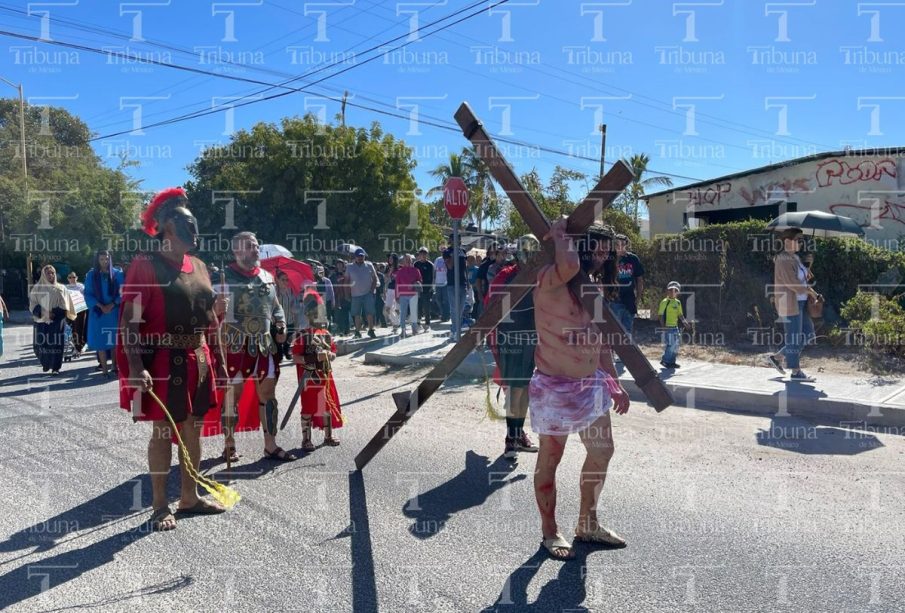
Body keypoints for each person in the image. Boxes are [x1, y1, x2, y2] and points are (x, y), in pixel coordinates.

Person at [117, 186, 226, 531]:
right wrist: (136, 367)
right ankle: (160, 504)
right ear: (166, 226)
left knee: (194, 428)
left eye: (195, 223)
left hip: (199, 357)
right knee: (164, 431)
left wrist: (220, 359)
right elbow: (129, 322)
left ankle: (190, 497)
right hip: (164, 360)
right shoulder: (145, 265)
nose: (195, 230)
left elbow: (210, 318)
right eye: (187, 223)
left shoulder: (200, 266)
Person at [530, 217, 630, 561]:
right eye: (597, 244)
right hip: (554, 389)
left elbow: (601, 341)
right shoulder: (549, 279)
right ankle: (549, 531)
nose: (604, 252)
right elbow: (569, 263)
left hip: (592, 386)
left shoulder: (591, 288)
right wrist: (560, 232)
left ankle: (587, 524)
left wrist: (613, 382)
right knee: (551, 460)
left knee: (603, 451)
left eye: (607, 247)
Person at [220, 231, 296, 462]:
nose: (255, 250)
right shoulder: (224, 277)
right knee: (233, 397)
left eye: (256, 245)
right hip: (235, 345)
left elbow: (275, 306)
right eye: (250, 246)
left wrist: (281, 323)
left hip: (264, 344)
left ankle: (270, 445)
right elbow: (210, 313)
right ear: (237, 250)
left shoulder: (266, 276)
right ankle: (229, 444)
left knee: (269, 395)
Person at [485, 236, 539, 460]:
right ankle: (511, 439)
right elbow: (491, 305)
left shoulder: (541, 276)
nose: (528, 257)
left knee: (524, 389)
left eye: (532, 252)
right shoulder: (506, 276)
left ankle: (518, 435)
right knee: (513, 389)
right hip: (510, 340)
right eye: (525, 252)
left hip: (532, 340)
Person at [292, 293, 343, 451]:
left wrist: (329, 355)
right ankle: (306, 440)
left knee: (326, 405)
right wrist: (313, 358)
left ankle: (328, 436)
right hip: (309, 378)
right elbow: (295, 357)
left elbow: (333, 353)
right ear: (309, 315)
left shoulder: (326, 334)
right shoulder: (302, 335)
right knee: (308, 407)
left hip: (325, 376)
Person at [767, 228, 817, 382]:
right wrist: (811, 292)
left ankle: (778, 357)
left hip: (800, 302)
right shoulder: (783, 259)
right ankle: (795, 372)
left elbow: (801, 279)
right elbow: (791, 283)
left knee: (808, 334)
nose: (801, 243)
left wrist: (808, 267)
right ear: (787, 241)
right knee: (794, 338)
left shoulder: (794, 257)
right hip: (789, 303)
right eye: (798, 240)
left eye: (801, 240)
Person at [29, 265, 76, 375]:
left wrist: (54, 314)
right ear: (43, 275)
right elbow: (33, 305)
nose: (50, 275)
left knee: (56, 345)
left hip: (57, 320)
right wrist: (45, 313)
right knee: (39, 345)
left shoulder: (61, 288)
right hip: (41, 321)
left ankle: (55, 368)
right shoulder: (37, 288)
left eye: (52, 273)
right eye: (48, 273)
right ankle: (46, 363)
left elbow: (65, 305)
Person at [84, 250, 125, 378]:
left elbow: (123, 292)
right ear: (97, 260)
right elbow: (88, 294)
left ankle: (115, 367)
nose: (104, 262)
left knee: (113, 341)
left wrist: (112, 305)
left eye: (106, 259)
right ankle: (104, 370)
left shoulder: (117, 274)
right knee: (100, 342)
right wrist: (101, 306)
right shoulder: (91, 275)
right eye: (102, 259)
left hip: (113, 311)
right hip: (98, 312)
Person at [611, 234, 645, 339]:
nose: (620, 246)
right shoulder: (609, 259)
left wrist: (638, 298)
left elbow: (639, 279)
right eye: (617, 244)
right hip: (614, 300)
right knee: (614, 330)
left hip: (630, 300)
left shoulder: (633, 259)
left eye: (623, 244)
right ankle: (613, 354)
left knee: (627, 331)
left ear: (627, 244)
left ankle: (624, 355)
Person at [347, 247, 379, 339]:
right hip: (355, 294)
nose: (360, 258)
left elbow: (375, 278)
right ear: (355, 257)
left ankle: (371, 330)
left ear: (364, 257)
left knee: (370, 313)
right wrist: (347, 293)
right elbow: (346, 280)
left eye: (362, 256)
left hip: (367, 293)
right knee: (356, 314)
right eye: (358, 256)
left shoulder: (369, 265)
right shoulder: (349, 267)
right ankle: (357, 331)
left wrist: (372, 290)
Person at [443, 237, 468, 338]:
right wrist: (453, 255)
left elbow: (465, 266)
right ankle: (454, 330)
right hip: (452, 284)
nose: (457, 241)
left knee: (461, 308)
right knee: (454, 308)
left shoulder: (463, 251)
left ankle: (457, 327)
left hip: (463, 283)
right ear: (451, 241)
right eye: (454, 239)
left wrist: (468, 281)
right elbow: (449, 266)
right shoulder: (447, 252)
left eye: (458, 239)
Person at [658, 281, 686, 369]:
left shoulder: (678, 303)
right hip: (668, 327)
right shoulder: (664, 302)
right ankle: (665, 361)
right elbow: (660, 315)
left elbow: (680, 314)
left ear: (677, 292)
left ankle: (672, 362)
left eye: (675, 290)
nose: (673, 292)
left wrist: (685, 322)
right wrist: (663, 326)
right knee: (670, 344)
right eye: (671, 290)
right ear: (668, 291)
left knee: (676, 345)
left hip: (675, 327)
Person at [395, 254, 423, 338]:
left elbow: (420, 280)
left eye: (409, 259)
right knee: (403, 313)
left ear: (411, 261)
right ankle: (403, 330)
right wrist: (397, 295)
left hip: (413, 294)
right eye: (405, 259)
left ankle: (414, 329)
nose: (407, 261)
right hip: (403, 295)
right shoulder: (400, 271)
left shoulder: (416, 270)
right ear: (403, 261)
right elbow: (397, 284)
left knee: (413, 312)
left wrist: (416, 283)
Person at [275, 271, 300, 361]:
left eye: (287, 280)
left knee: (289, 335)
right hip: (279, 320)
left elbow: (294, 301)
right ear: (277, 280)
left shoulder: (290, 290)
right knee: (279, 337)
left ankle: (286, 350)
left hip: (290, 317)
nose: (285, 282)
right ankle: (280, 353)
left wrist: (294, 305)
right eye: (283, 280)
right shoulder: (273, 291)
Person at [65, 271, 88, 358]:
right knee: (73, 329)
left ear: (76, 278)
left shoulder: (80, 286)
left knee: (80, 328)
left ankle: (79, 346)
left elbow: (84, 296)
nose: (72, 279)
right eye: (70, 277)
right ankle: (77, 346)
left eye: (73, 277)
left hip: (81, 309)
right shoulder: (65, 288)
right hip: (70, 310)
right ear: (67, 279)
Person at [414, 247, 434, 332]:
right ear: (419, 255)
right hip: (418, 289)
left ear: (427, 255)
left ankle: (427, 324)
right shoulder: (416, 264)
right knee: (418, 306)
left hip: (427, 289)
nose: (423, 256)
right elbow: (414, 276)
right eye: (421, 254)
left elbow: (433, 277)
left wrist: (431, 287)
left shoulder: (430, 265)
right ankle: (418, 323)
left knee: (427, 307)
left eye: (425, 254)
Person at [330, 260, 351, 336]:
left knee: (346, 315)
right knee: (338, 315)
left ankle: (347, 330)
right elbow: (331, 286)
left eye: (340, 264)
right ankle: (340, 330)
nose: (339, 265)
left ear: (343, 265)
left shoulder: (347, 274)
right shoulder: (333, 276)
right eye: (337, 264)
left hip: (346, 296)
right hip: (337, 297)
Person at [383, 253, 400, 333]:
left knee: (397, 309)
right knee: (387, 309)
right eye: (389, 259)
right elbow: (385, 280)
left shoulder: (400, 268)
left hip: (398, 289)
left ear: (395, 260)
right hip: (390, 289)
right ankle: (395, 323)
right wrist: (390, 272)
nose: (389, 260)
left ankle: (396, 325)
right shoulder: (387, 268)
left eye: (391, 258)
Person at [433, 248, 450, 322]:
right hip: (437, 282)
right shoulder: (437, 259)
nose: (443, 252)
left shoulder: (449, 259)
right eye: (442, 251)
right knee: (438, 299)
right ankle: (443, 313)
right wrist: (433, 280)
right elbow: (434, 270)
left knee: (446, 300)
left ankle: (445, 315)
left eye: (444, 251)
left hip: (446, 282)